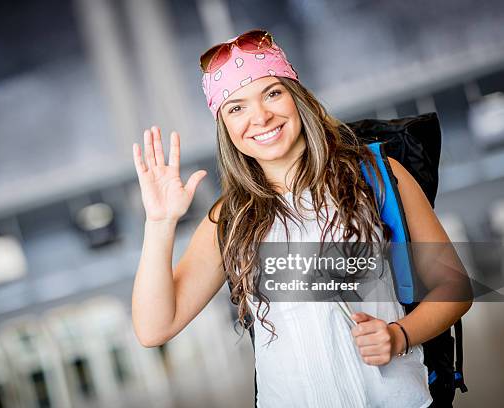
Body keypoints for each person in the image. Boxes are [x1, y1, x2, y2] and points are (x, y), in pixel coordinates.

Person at [131, 29, 472, 407]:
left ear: (298, 98)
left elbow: (454, 288)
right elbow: (154, 328)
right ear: (225, 126)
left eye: (272, 93)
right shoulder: (230, 218)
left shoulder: (376, 175)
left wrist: (399, 335)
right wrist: (159, 224)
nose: (260, 117)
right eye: (236, 107)